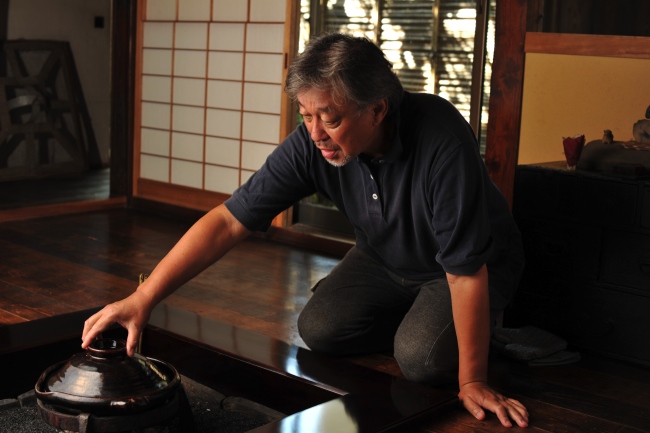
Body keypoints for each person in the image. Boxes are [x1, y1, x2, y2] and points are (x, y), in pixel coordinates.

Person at [82, 33, 529, 428]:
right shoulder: (312, 141)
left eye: (330, 119)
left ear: (377, 109)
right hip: (383, 255)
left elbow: (465, 272)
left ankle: (464, 331)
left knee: (420, 359)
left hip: (464, 268)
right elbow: (228, 221)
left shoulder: (441, 140)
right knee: (320, 329)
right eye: (305, 116)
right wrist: (143, 297)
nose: (316, 134)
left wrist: (472, 381)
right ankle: (425, 323)